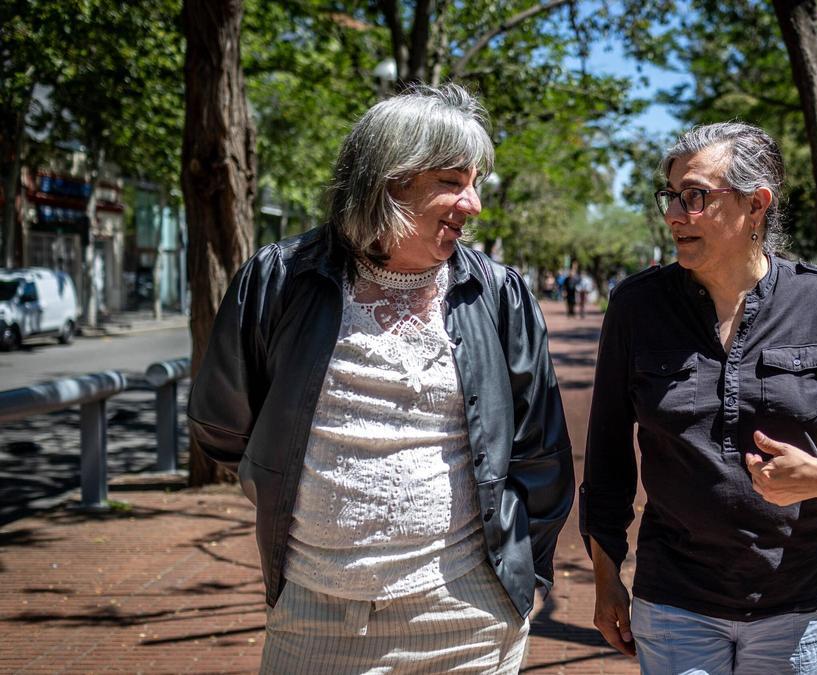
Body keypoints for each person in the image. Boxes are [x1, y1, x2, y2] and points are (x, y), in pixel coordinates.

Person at [188, 84, 574, 674]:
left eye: (475, 182)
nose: (473, 204)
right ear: (390, 182)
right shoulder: (278, 279)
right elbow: (223, 426)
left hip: (470, 614)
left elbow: (540, 452)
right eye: (452, 181)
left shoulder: (500, 294)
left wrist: (530, 577)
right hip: (314, 613)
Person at [580, 122, 817, 674]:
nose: (675, 214)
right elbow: (607, 454)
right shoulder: (637, 307)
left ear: (757, 205)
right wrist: (607, 577)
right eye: (672, 196)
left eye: (696, 197)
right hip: (674, 599)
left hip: (793, 601)